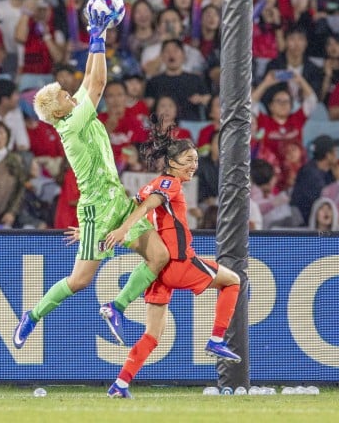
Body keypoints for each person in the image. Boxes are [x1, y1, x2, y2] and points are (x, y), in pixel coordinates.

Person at [14, 9, 168, 348]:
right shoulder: (70, 124)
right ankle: (33, 316)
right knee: (80, 280)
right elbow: (97, 84)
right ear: (57, 111)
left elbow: (87, 79)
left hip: (118, 200)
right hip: (98, 209)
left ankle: (116, 307)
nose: (70, 94)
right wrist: (98, 38)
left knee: (160, 257)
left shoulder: (72, 111)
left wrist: (92, 37)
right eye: (63, 96)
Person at [95, 122, 242, 398]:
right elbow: (150, 204)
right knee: (233, 280)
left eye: (196, 160)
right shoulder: (169, 183)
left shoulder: (152, 183)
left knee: (152, 335)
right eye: (188, 160)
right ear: (172, 163)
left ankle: (120, 384)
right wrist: (125, 230)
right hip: (179, 261)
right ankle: (216, 339)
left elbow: (138, 203)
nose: (193, 165)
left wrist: (102, 229)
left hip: (159, 270)